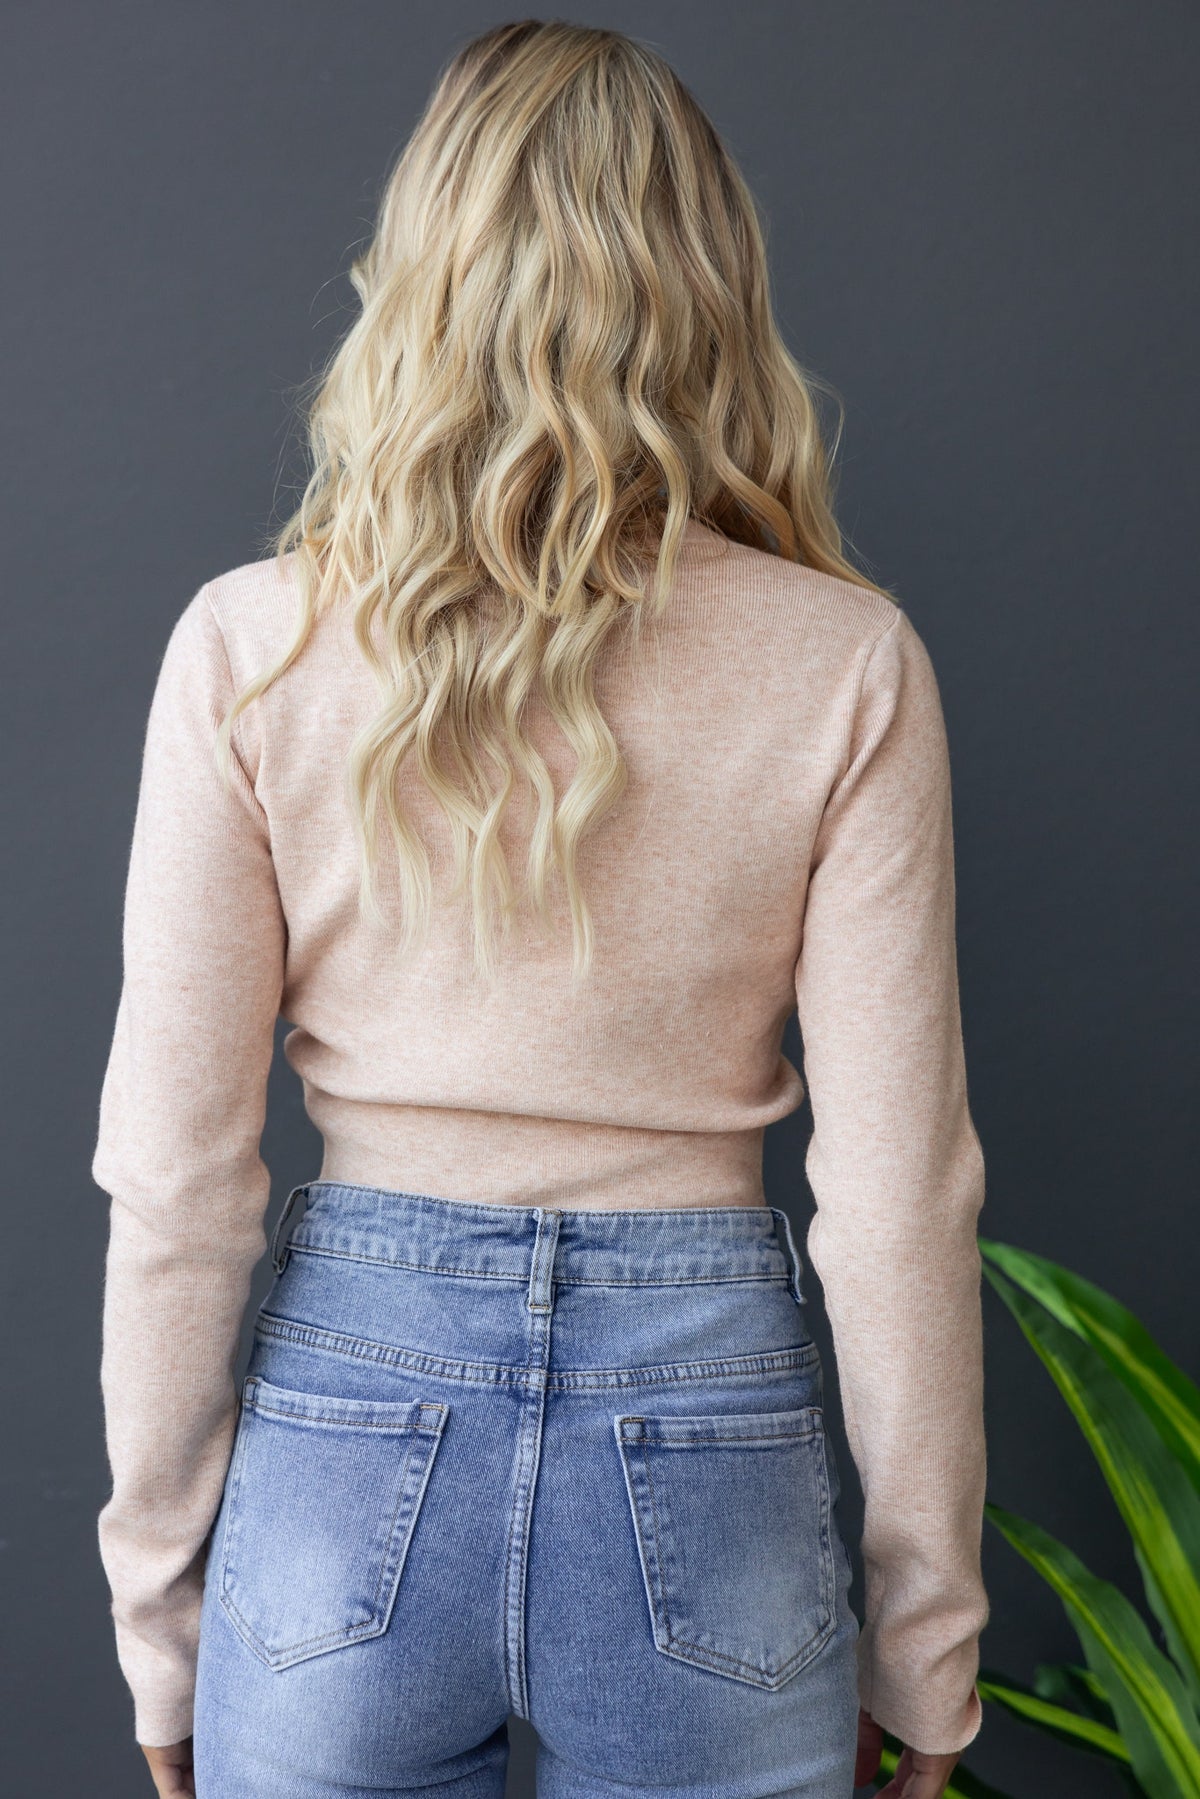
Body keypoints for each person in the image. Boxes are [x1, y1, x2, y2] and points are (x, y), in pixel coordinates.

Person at [91, 20, 989, 1799]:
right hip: (708, 1427)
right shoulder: (847, 666)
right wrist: (928, 1647)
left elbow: (178, 1180)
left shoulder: (249, 648)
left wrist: (160, 1629)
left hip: (350, 1430)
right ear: (712, 288)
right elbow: (897, 1202)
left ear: (415, 273)